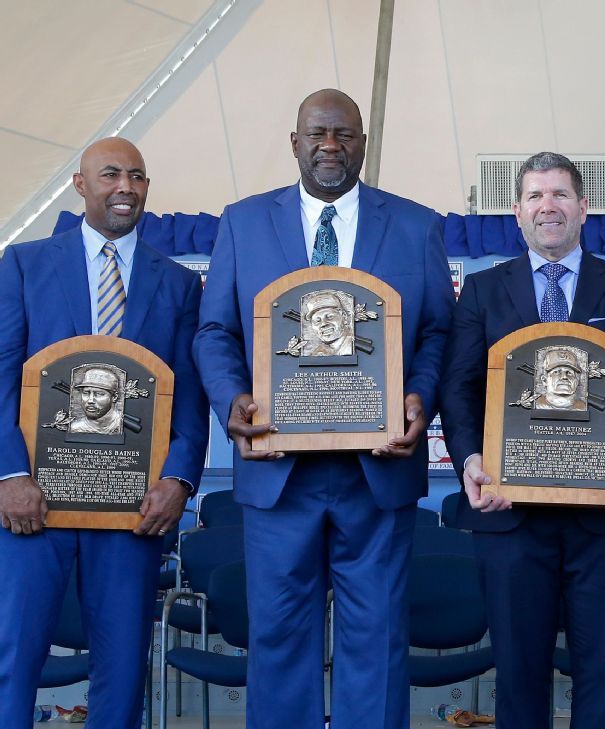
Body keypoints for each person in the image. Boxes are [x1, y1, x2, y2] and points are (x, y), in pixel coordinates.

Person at [193, 89, 455, 728]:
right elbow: (215, 333)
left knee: (380, 642)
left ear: (365, 143)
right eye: (317, 134)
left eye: (344, 134)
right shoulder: (244, 222)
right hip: (277, 470)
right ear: (294, 142)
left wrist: (420, 394)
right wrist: (232, 400)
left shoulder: (417, 226)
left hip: (377, 470)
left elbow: (436, 334)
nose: (330, 146)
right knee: (279, 640)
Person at [440, 151, 605, 728]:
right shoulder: (483, 291)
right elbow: (459, 388)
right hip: (509, 514)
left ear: (584, 208)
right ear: (517, 212)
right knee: (518, 678)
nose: (549, 206)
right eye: (536, 196)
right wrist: (469, 458)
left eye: (560, 195)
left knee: (603, 674)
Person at [0, 137, 208, 728]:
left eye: (137, 176)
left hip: (132, 508)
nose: (125, 186)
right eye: (111, 174)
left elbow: (189, 395)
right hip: (32, 501)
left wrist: (178, 478)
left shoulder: (179, 284)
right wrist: (9, 473)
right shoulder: (23, 264)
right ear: (80, 185)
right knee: (14, 656)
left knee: (122, 668)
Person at [70, 366, 125, 435]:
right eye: (86, 393)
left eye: (99, 394)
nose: (90, 400)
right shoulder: (75, 427)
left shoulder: (121, 424)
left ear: (114, 397)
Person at [300, 290, 355, 356]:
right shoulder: (317, 353)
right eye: (317, 321)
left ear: (344, 316)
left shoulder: (352, 345)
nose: (323, 324)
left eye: (329, 317)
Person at [534, 347, 587, 411]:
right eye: (556, 372)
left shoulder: (582, 408)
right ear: (544, 380)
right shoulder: (537, 405)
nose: (564, 377)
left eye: (569, 373)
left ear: (576, 381)